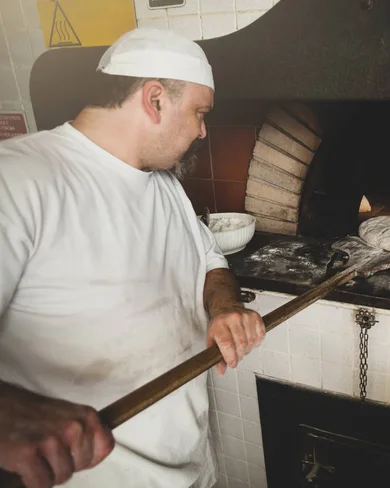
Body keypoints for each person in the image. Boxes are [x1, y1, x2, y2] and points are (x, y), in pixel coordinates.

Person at [0, 28, 265, 488]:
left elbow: (209, 263)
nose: (204, 130)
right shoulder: (19, 181)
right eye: (200, 112)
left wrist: (224, 308)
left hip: (194, 472)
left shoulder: (165, 186)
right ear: (155, 99)